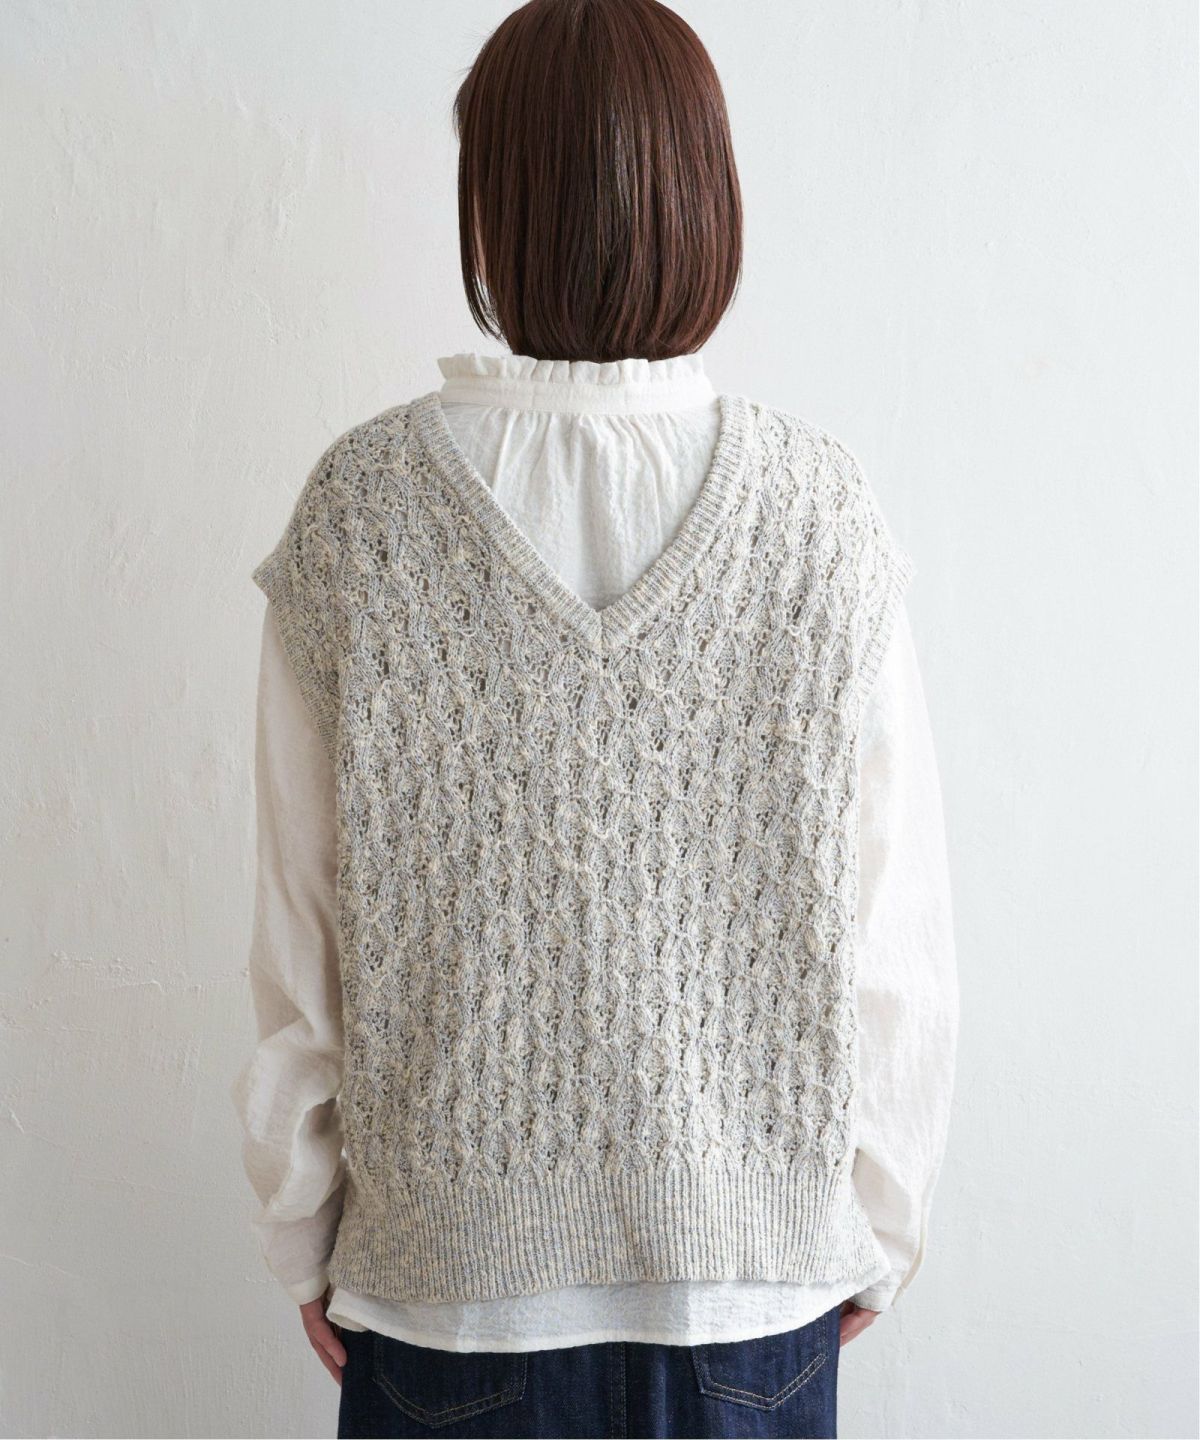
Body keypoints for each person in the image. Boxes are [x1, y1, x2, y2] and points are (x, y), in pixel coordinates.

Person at [231, 2, 958, 1436]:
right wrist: (878, 1221)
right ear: (707, 199)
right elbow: (896, 947)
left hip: (449, 1316)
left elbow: (300, 943)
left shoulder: (360, 515)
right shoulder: (824, 518)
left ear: (491, 208)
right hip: (749, 1315)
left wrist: (301, 1229)